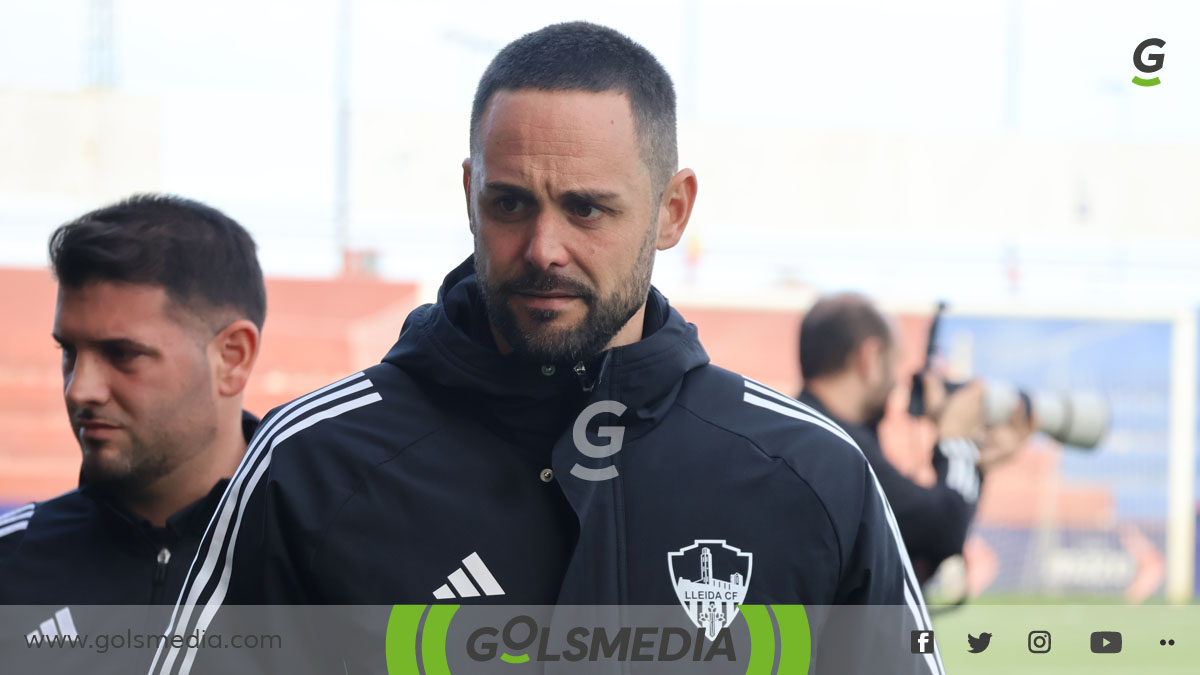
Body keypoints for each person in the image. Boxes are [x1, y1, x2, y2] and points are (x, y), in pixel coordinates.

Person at [152, 23, 943, 675]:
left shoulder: (815, 476)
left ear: (672, 211)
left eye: (587, 209)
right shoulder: (311, 465)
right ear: (469, 194)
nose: (543, 247)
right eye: (510, 203)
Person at [0, 195, 266, 609]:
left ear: (232, 358)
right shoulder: (11, 567)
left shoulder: (336, 558)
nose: (79, 389)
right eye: (69, 351)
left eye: (122, 354)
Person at [798, 292, 1032, 584]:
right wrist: (955, 439)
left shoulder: (805, 433)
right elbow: (941, 531)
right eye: (895, 364)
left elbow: (916, 546)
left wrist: (973, 463)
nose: (898, 382)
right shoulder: (837, 446)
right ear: (868, 358)